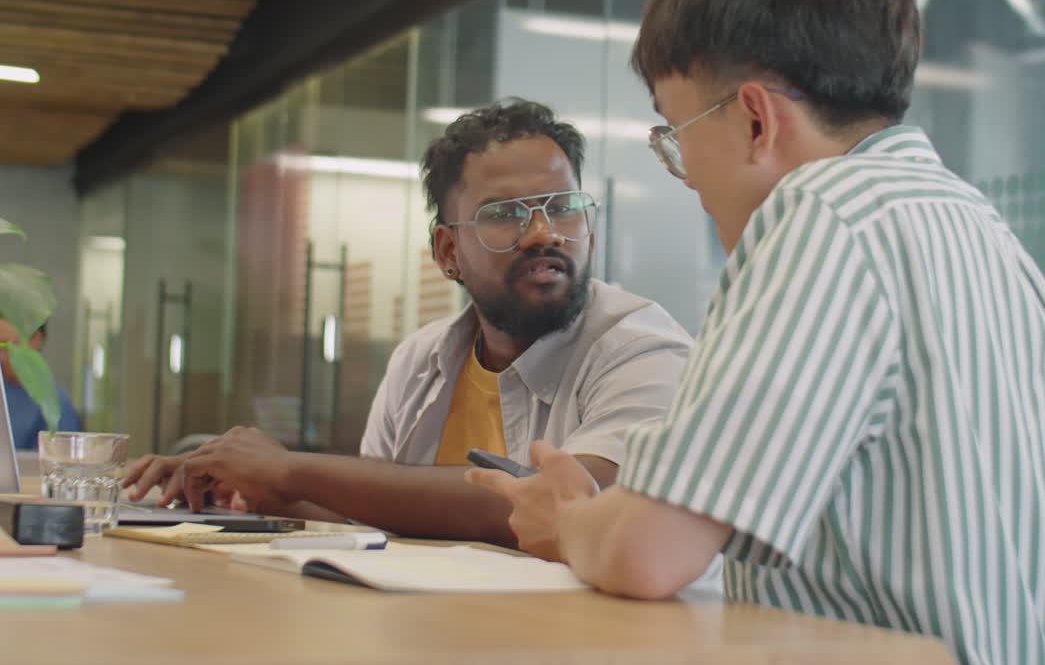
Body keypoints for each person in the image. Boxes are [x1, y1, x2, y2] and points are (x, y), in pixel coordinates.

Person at [465, 0, 1045, 665]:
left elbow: (647, 551)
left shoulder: (820, 215)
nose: (686, 179)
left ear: (755, 120)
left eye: (677, 137)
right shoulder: (972, 222)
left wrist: (564, 522)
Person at [124, 99, 692, 546]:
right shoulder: (422, 358)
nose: (545, 233)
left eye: (563, 206)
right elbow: (373, 517)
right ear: (448, 251)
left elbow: (566, 504)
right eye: (505, 214)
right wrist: (259, 488)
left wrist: (289, 470)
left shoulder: (640, 349)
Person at [0, 319, 81, 449]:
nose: (2, 357)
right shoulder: (4, 391)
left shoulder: (55, 406)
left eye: (9, 345)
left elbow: (58, 465)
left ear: (35, 340)